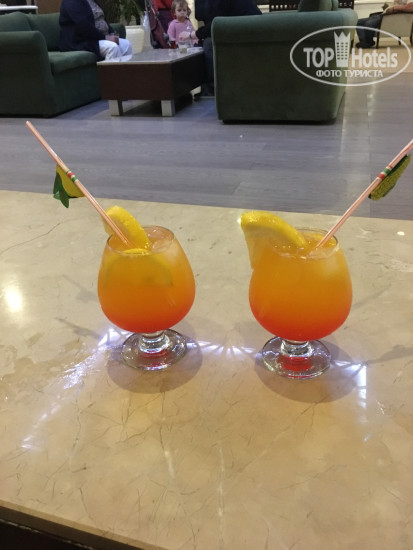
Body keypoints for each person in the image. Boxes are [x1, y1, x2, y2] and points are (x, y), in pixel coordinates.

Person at [179, 0, 262, 95]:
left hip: (248, 32)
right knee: (206, 42)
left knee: (209, 44)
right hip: (254, 30)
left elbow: (215, 25)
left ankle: (213, 91)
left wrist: (192, 35)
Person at [59, 0, 132, 61]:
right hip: (80, 41)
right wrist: (105, 37)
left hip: (97, 38)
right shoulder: (71, 2)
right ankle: (110, 74)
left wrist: (112, 33)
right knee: (112, 47)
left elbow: (101, 19)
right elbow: (84, 26)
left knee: (126, 44)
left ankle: (126, 73)